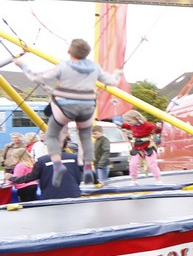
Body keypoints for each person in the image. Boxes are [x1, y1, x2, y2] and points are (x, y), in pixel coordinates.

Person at [16, 38, 120, 184]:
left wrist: (22, 65)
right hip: (86, 107)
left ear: (70, 51)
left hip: (65, 107)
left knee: (52, 135)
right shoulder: (94, 67)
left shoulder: (64, 66)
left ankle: (57, 165)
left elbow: (37, 77)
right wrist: (117, 73)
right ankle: (87, 166)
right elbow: (112, 81)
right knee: (85, 137)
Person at [122, 110, 164, 183]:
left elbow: (157, 130)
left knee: (151, 164)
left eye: (129, 121)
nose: (128, 123)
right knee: (133, 164)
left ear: (136, 118)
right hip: (137, 146)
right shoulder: (131, 125)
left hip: (148, 146)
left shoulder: (148, 125)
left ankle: (158, 180)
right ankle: (133, 180)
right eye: (127, 121)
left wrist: (159, 127)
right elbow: (125, 125)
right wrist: (120, 125)